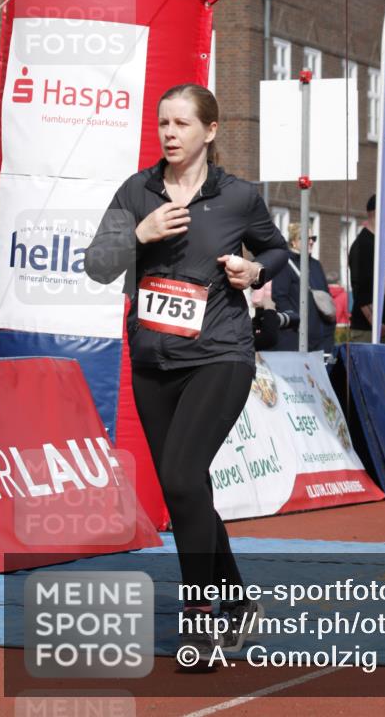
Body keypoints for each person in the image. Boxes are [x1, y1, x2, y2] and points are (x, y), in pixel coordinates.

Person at [84, 83, 288, 667]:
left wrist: (253, 268)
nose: (170, 133)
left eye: (182, 124)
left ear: (210, 130)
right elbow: (98, 266)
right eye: (163, 124)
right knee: (187, 487)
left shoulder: (238, 196)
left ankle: (200, 615)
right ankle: (240, 602)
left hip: (220, 354)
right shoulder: (136, 190)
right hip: (153, 358)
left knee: (179, 477)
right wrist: (139, 234)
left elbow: (277, 252)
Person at [348, 194, 385, 344]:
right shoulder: (364, 246)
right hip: (372, 332)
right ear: (378, 213)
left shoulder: (382, 244)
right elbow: (360, 290)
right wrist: (376, 324)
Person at [269, 223, 335, 353]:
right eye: (306, 238)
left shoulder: (316, 265)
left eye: (313, 238)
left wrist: (328, 331)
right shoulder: (285, 264)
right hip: (296, 338)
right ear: (293, 242)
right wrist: (295, 322)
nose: (311, 242)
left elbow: (326, 296)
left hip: (321, 340)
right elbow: (279, 297)